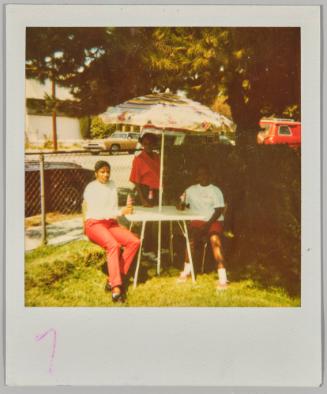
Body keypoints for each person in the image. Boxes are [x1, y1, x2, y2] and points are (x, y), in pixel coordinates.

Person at [83, 160, 141, 302]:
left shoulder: (113, 184)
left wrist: (124, 211)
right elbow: (98, 212)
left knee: (135, 241)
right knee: (113, 245)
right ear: (96, 173)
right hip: (94, 223)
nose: (106, 175)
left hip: (110, 223)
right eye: (102, 172)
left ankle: (115, 277)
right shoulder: (91, 188)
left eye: (108, 172)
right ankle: (116, 288)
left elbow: (112, 209)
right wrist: (121, 212)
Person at [176, 164, 228, 290]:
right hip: (197, 220)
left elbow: (219, 210)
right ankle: (186, 272)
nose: (203, 176)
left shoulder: (215, 190)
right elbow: (181, 203)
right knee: (191, 241)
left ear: (210, 176)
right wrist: (181, 204)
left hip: (213, 220)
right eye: (200, 174)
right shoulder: (190, 190)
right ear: (197, 177)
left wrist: (208, 225)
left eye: (205, 174)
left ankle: (223, 278)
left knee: (215, 241)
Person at [129, 132, 160, 207]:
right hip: (145, 192)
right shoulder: (139, 159)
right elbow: (136, 182)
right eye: (145, 143)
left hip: (157, 191)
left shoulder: (157, 156)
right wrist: (143, 200)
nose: (148, 146)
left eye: (150, 143)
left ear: (154, 144)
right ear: (142, 144)